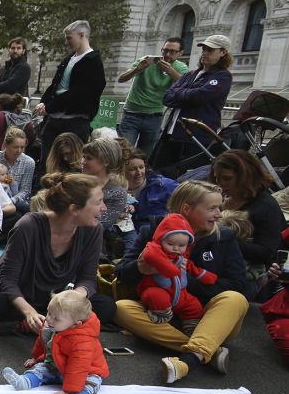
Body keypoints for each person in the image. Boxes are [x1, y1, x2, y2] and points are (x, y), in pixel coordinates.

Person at [113, 180, 247, 382]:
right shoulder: (153, 230)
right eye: (212, 208)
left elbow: (239, 286)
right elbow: (121, 272)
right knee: (121, 308)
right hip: (162, 315)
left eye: (219, 207)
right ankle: (207, 351)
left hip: (207, 318)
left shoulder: (224, 237)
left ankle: (189, 359)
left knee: (235, 299)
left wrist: (186, 280)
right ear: (187, 209)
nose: (219, 214)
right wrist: (139, 268)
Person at [0, 172, 117, 332]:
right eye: (99, 202)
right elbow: (8, 280)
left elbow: (87, 279)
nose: (104, 208)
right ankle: (49, 323)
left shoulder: (93, 230)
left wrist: (72, 298)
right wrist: (28, 312)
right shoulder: (29, 226)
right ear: (74, 209)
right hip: (17, 295)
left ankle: (20, 325)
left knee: (106, 307)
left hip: (54, 297)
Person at [1, 290, 109, 394]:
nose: (49, 319)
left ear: (75, 324)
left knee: (91, 385)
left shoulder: (82, 341)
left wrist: (69, 390)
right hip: (57, 366)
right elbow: (43, 343)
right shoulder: (53, 325)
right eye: (48, 312)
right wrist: (36, 358)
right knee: (41, 369)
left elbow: (79, 367)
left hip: (86, 372)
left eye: (56, 318)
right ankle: (24, 381)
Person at [35, 21, 106, 188]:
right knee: (47, 162)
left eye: (69, 38)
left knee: (73, 164)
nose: (67, 42)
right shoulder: (69, 60)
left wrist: (50, 106)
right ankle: (43, 196)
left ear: (82, 35)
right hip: (54, 120)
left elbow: (79, 92)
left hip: (75, 121)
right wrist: (44, 102)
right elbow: (55, 85)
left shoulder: (93, 61)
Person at [156, 35, 233, 177]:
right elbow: (167, 98)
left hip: (196, 136)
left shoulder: (223, 76)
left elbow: (200, 96)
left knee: (184, 177)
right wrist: (187, 94)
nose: (205, 53)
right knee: (157, 172)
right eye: (204, 49)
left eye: (210, 50)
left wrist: (180, 92)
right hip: (171, 132)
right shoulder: (190, 75)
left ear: (223, 53)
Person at [211, 150, 285, 278]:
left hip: (257, 273)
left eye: (227, 179)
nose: (221, 184)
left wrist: (223, 239)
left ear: (245, 176)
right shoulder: (221, 199)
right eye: (217, 178)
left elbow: (266, 252)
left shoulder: (264, 206)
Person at [137, 213, 218, 324]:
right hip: (159, 290)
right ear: (161, 240)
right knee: (155, 296)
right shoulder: (155, 250)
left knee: (194, 305)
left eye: (181, 246)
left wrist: (205, 275)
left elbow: (192, 267)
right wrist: (169, 267)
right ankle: (162, 315)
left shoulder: (182, 258)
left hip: (180, 294)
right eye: (170, 244)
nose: (175, 248)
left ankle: (191, 327)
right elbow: (151, 254)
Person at [117, 37, 186, 151]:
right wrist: (137, 69)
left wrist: (170, 71)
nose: (167, 54)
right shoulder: (147, 60)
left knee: (145, 155)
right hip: (132, 114)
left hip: (155, 117)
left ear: (180, 54)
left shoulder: (180, 67)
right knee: (124, 153)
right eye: (165, 50)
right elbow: (121, 79)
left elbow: (185, 84)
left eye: (172, 52)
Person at [0, 127, 35, 212]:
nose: (19, 151)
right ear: (6, 145)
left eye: (22, 147)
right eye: (15, 147)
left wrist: (12, 201)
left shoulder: (29, 162)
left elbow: (25, 190)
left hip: (16, 200)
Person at [125, 148, 177, 229]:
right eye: (132, 169)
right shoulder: (115, 189)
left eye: (141, 167)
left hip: (158, 231)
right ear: (121, 170)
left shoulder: (161, 184)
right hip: (128, 232)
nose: (139, 172)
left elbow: (188, 195)